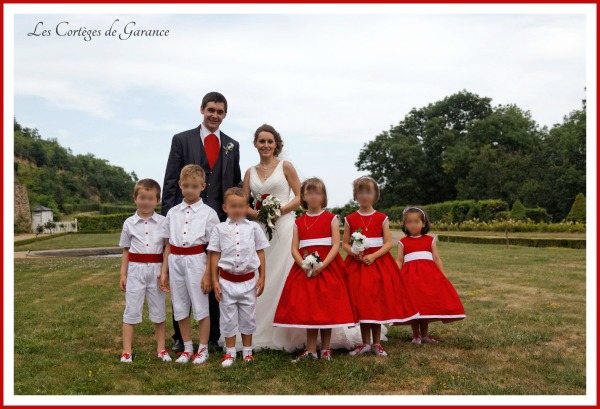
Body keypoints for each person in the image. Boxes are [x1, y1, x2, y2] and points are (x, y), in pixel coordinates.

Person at [161, 92, 242, 353]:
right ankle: (179, 337)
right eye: (211, 110)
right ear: (202, 110)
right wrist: (167, 220)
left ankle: (215, 336)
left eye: (220, 111)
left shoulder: (232, 145)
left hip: (218, 220)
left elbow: (235, 184)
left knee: (216, 276)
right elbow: (171, 180)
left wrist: (234, 218)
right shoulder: (181, 140)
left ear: (225, 114)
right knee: (181, 279)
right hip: (185, 219)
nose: (215, 115)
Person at [273, 178, 356, 362]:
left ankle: (326, 348)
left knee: (326, 307)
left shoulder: (331, 218)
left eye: (317, 192)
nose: (313, 196)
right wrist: (303, 264)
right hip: (305, 270)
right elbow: (294, 248)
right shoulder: (299, 222)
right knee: (310, 308)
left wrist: (323, 264)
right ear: (303, 196)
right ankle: (310, 349)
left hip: (328, 268)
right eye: (309, 192)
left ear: (323, 196)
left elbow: (335, 245)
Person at [242, 124, 307, 351]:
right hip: (259, 229)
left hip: (285, 227)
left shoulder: (285, 167)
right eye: (262, 141)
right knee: (261, 275)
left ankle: (289, 329)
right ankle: (259, 327)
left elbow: (300, 196)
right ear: (255, 144)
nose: (266, 145)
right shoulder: (249, 172)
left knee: (285, 276)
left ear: (276, 144)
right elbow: (244, 202)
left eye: (270, 141)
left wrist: (280, 211)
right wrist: (258, 214)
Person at [343, 176, 419, 357]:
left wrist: (374, 256)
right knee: (361, 302)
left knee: (376, 302)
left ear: (375, 195)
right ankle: (364, 343)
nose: (364, 195)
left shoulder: (381, 218)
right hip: (357, 265)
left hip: (378, 264)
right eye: (361, 191)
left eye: (368, 191)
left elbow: (388, 243)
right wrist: (354, 253)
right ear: (355, 195)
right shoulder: (350, 218)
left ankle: (376, 343)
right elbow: (345, 243)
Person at [158, 165, 220, 364]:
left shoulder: (209, 214)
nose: (189, 190)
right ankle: (187, 347)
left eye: (194, 186)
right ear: (179, 185)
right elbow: (168, 243)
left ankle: (203, 348)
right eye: (185, 186)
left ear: (202, 186)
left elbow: (213, 249)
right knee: (180, 306)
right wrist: (164, 271)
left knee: (201, 306)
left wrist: (208, 274)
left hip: (197, 261)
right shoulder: (172, 213)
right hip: (175, 260)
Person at [207, 187, 270, 367]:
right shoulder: (219, 229)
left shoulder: (254, 228)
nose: (237, 209)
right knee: (227, 317)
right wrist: (214, 280)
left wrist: (262, 276)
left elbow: (260, 252)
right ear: (225, 207)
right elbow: (214, 255)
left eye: (241, 206)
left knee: (248, 317)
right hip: (226, 281)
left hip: (248, 281)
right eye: (233, 206)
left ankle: (247, 351)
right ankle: (230, 352)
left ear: (246, 207)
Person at [118, 179, 171, 363]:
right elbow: (126, 249)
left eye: (150, 198)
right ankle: (126, 350)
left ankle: (161, 349)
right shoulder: (129, 223)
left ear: (157, 200)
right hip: (135, 271)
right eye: (142, 198)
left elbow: (167, 249)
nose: (146, 202)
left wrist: (165, 272)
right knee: (131, 310)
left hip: (156, 272)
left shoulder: (163, 222)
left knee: (158, 311)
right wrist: (123, 274)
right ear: (135, 198)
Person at [396, 207, 466, 344]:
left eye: (416, 221)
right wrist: (395, 275)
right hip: (410, 279)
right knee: (414, 306)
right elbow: (399, 260)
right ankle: (416, 335)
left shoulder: (430, 240)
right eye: (409, 222)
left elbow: (436, 258)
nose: (413, 224)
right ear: (404, 224)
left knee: (425, 306)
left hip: (428, 277)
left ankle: (424, 335)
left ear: (423, 223)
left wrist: (442, 275)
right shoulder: (403, 242)